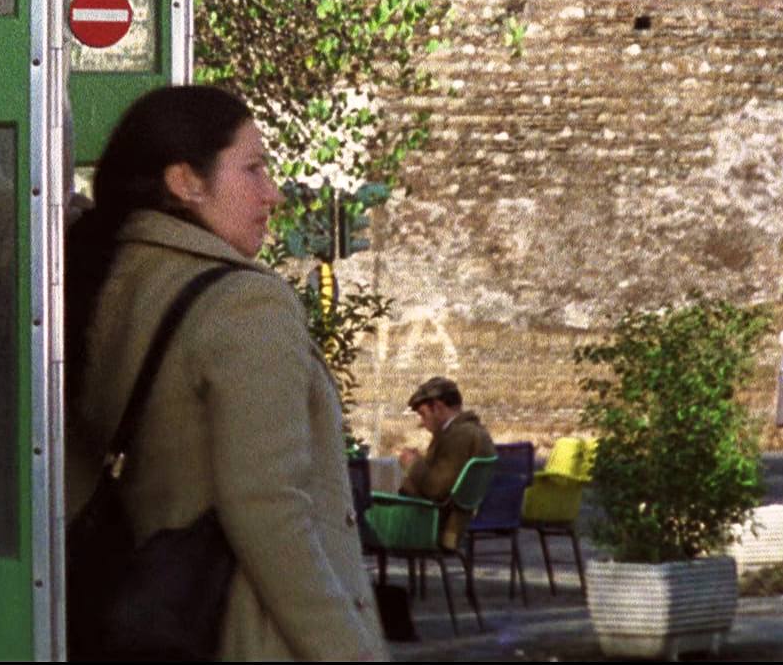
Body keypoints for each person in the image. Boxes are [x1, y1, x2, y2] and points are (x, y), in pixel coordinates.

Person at [65, 86, 387, 661]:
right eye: (253, 169)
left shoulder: (106, 281)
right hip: (252, 635)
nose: (273, 195)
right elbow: (269, 509)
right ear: (186, 182)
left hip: (159, 622)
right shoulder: (245, 305)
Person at [396, 376, 495, 549]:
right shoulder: (472, 431)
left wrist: (413, 464)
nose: (422, 422)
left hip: (439, 524)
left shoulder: (459, 436)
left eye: (423, 414)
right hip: (452, 520)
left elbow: (436, 489)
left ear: (438, 407)